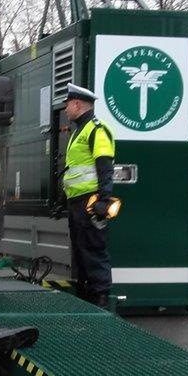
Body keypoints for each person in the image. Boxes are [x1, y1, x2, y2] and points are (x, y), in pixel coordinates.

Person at [61, 83, 115, 308]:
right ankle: (86, 295)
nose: (65, 110)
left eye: (67, 105)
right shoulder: (79, 131)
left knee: (93, 248)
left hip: (91, 201)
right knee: (81, 248)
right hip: (77, 201)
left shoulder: (96, 129)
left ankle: (100, 298)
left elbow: (105, 165)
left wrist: (104, 199)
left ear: (77, 104)